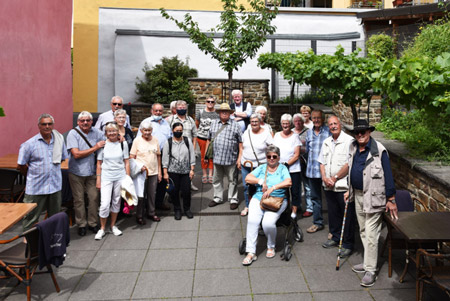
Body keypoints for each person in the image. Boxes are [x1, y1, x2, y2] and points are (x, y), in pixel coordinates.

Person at [345, 119, 398, 287]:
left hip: (374, 196)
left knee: (371, 232)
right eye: (357, 132)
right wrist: (349, 189)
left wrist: (391, 199)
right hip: (358, 195)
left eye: (363, 132)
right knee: (362, 230)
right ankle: (368, 262)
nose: (360, 135)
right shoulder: (353, 147)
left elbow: (388, 176)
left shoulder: (379, 151)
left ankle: (371, 271)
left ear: (369, 132)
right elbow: (351, 168)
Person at [241, 145, 292, 266]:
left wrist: (273, 187)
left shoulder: (283, 168)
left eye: (274, 156)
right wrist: (260, 182)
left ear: (278, 157)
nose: (271, 159)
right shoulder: (262, 168)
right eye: (269, 156)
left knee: (267, 223)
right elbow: (248, 178)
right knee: (252, 221)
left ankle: (271, 246)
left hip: (277, 200)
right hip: (259, 198)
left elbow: (288, 181)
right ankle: (251, 252)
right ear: (266, 157)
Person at [18, 114, 68, 231]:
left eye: (49, 124)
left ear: (53, 125)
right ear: (38, 126)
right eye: (44, 124)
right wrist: (31, 177)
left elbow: (61, 158)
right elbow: (21, 165)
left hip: (54, 186)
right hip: (36, 187)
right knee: (31, 217)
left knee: (54, 217)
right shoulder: (29, 144)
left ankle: (52, 241)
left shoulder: (59, 141)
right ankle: (29, 244)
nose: (47, 126)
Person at [318, 116, 355, 258]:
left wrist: (334, 178)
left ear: (340, 124)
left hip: (342, 185)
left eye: (335, 123)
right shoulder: (327, 142)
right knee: (333, 214)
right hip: (328, 185)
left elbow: (348, 164)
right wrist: (324, 178)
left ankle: (347, 244)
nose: (333, 126)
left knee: (347, 215)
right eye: (330, 124)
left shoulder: (349, 141)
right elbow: (322, 162)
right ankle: (335, 237)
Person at [66, 111, 105, 236]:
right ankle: (81, 224)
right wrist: (95, 147)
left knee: (93, 198)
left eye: (88, 120)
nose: (85, 123)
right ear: (78, 122)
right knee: (79, 200)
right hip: (76, 172)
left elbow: (108, 139)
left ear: (91, 121)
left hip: (92, 171)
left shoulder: (97, 132)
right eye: (82, 120)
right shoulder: (73, 133)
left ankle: (93, 223)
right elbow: (76, 154)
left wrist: (120, 137)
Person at [95, 122, 130, 240]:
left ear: (118, 132)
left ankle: (113, 226)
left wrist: (127, 178)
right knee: (104, 204)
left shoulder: (123, 144)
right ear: (106, 133)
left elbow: (127, 162)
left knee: (116, 201)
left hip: (120, 176)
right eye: (109, 131)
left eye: (114, 131)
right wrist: (98, 179)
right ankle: (102, 228)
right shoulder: (103, 145)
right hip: (106, 177)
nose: (112, 133)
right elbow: (99, 163)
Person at [206, 103, 242, 210]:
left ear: (230, 113)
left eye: (227, 111)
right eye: (222, 111)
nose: (224, 113)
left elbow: (241, 142)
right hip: (217, 158)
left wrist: (239, 158)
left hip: (231, 158)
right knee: (216, 179)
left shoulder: (235, 125)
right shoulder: (213, 124)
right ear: (219, 113)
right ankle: (217, 197)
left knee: (233, 180)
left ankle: (233, 199)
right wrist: (206, 155)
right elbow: (208, 138)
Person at [137, 103, 172, 210]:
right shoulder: (146, 122)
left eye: (160, 111)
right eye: (156, 111)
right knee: (148, 182)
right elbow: (139, 140)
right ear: (152, 111)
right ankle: (145, 206)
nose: (158, 113)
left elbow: (169, 137)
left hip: (163, 156)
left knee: (162, 181)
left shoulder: (166, 123)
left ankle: (159, 202)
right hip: (149, 157)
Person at [240, 113, 274, 216]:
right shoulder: (247, 132)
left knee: (260, 187)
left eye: (256, 121)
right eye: (252, 121)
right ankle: (248, 206)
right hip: (245, 164)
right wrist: (239, 159)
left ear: (260, 122)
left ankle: (261, 205)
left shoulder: (266, 133)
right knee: (247, 187)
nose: (254, 123)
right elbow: (242, 146)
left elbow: (272, 148)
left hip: (260, 166)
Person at [130, 120, 162, 225]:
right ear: (141, 131)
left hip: (153, 171)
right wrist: (138, 167)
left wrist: (159, 172)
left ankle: (151, 213)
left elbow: (158, 156)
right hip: (141, 172)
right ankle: (139, 215)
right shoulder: (137, 141)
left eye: (149, 130)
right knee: (141, 195)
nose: (147, 132)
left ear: (151, 130)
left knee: (152, 194)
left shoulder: (155, 140)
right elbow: (132, 157)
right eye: (145, 130)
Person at [162, 122, 196, 220]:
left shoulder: (187, 140)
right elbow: (165, 158)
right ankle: (177, 209)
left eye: (180, 131)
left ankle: (187, 209)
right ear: (173, 131)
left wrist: (192, 169)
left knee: (186, 191)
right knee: (174, 192)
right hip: (173, 171)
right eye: (177, 131)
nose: (179, 132)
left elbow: (192, 155)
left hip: (185, 171)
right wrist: (165, 172)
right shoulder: (168, 142)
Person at [305, 110, 331, 233]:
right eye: (314, 118)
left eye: (318, 118)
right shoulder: (309, 133)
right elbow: (307, 151)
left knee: (331, 200)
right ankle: (318, 222)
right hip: (312, 171)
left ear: (323, 119)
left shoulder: (328, 132)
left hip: (326, 172)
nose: (316, 120)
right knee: (315, 198)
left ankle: (334, 228)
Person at [166, 100, 199, 191]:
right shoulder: (171, 119)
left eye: (183, 107)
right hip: (174, 148)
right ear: (176, 109)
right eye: (180, 108)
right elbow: (167, 134)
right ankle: (175, 188)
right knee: (175, 169)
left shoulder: (190, 120)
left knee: (189, 168)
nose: (182, 109)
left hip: (187, 148)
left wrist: (194, 148)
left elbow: (195, 135)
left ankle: (189, 184)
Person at [274, 114, 302, 219]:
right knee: (282, 191)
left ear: (290, 124)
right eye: (283, 123)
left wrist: (286, 164)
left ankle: (294, 212)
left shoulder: (295, 136)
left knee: (295, 191)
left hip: (293, 169)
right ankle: (284, 211)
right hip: (280, 169)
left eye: (287, 123)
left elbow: (297, 155)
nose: (285, 125)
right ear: (281, 124)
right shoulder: (276, 135)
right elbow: (274, 151)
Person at [195, 96, 219, 184]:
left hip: (213, 138)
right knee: (203, 156)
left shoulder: (217, 113)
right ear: (205, 102)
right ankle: (204, 174)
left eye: (212, 102)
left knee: (211, 156)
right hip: (202, 137)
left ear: (214, 103)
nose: (210, 103)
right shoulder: (201, 112)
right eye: (208, 101)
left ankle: (210, 174)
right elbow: (197, 124)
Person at [293, 113, 312, 217]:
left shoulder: (308, 132)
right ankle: (298, 205)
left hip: (305, 162)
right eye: (295, 121)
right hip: (294, 163)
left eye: (299, 121)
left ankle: (309, 207)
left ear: (303, 121)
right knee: (296, 186)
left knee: (307, 186)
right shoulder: (291, 132)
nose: (297, 123)